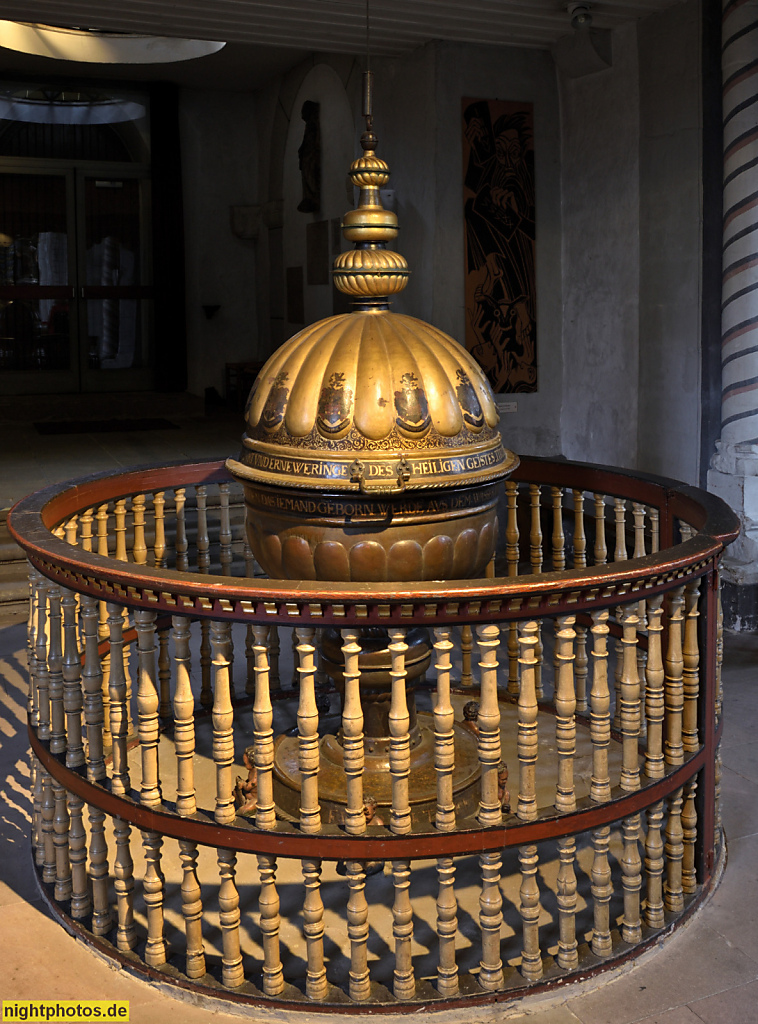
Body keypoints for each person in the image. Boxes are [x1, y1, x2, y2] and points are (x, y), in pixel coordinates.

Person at [336, 794, 384, 877]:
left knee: (373, 866)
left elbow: (380, 846)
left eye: (367, 814)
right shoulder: (352, 822)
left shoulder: (377, 824)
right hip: (355, 852)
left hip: (371, 853)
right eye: (361, 814)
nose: (364, 818)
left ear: (374, 810)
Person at [234, 745, 258, 816]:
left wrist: (243, 783)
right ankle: (238, 803)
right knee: (235, 792)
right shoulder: (252, 771)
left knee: (244, 810)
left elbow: (248, 786)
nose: (244, 765)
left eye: (246, 763)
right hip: (249, 793)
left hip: (255, 798)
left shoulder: (257, 775)